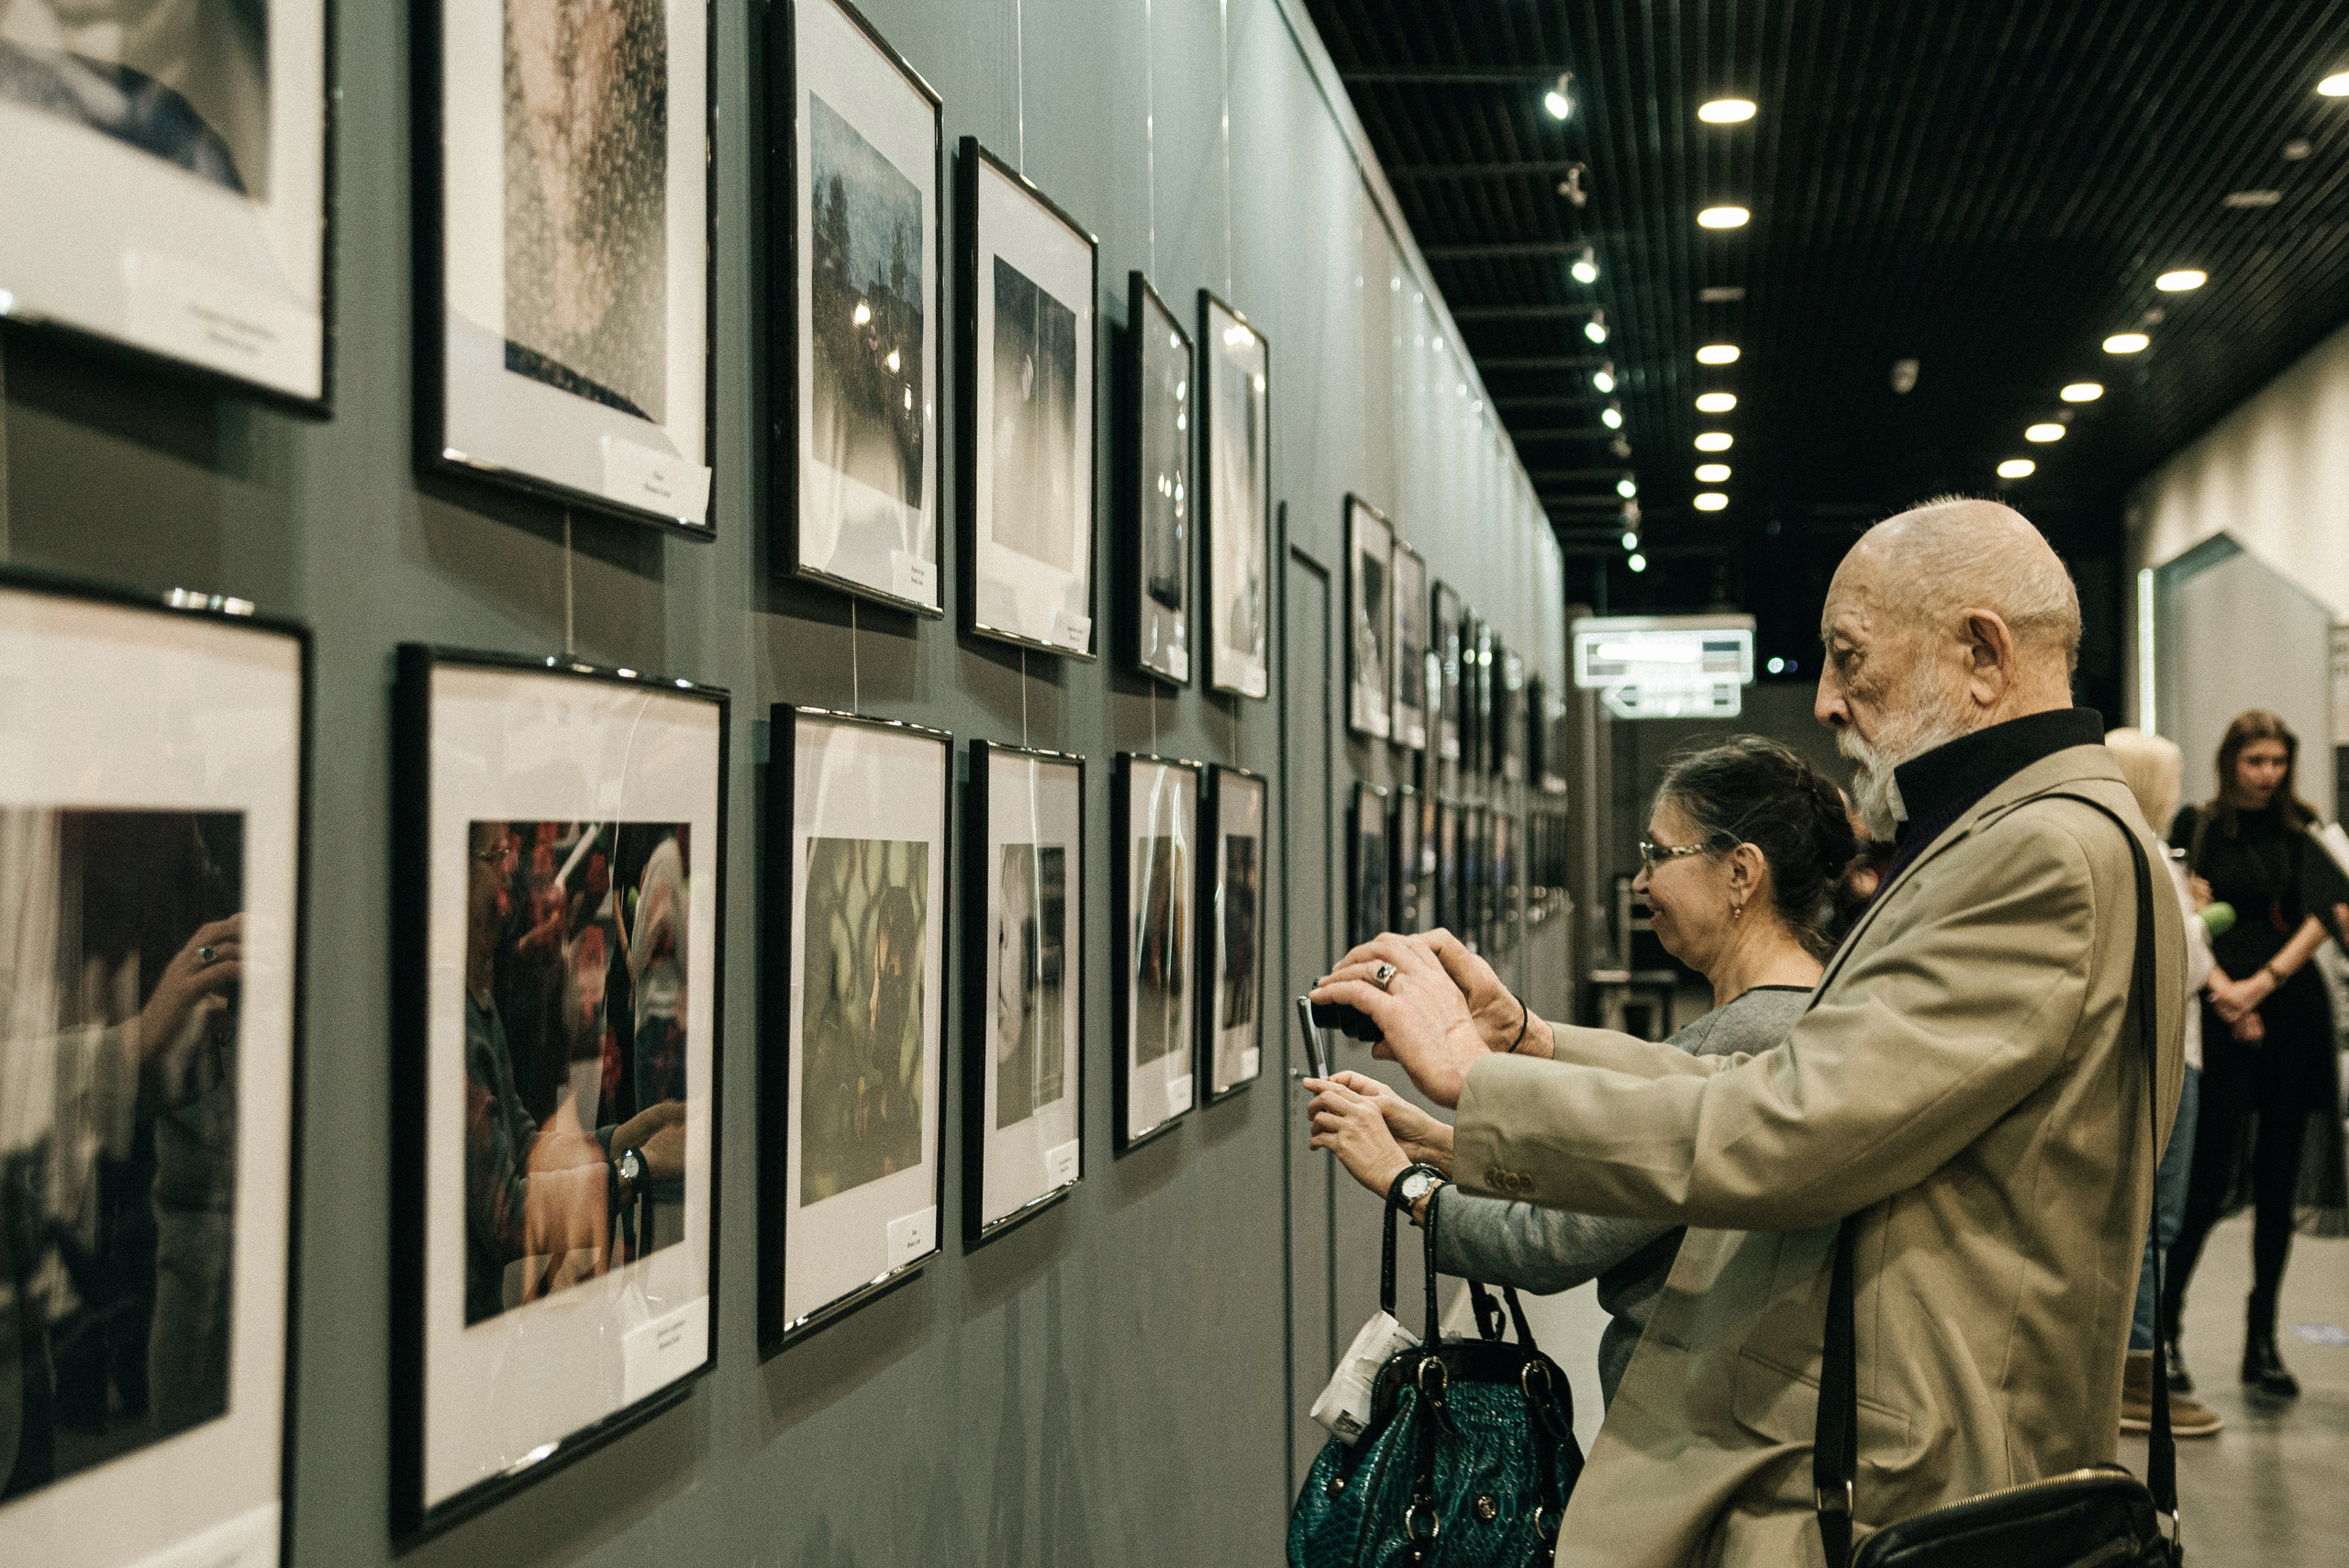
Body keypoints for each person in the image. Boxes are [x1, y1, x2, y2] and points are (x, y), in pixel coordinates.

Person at [1315, 497, 2183, 1567]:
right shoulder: (2033, 834)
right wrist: (1533, 1045)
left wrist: (1471, 1080)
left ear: (1980, 654)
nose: (1824, 699)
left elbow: (1791, 1125)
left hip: (1902, 1478)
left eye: (1848, 656)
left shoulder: (2037, 854)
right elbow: (1799, 1072)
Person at [1306, 737, 1852, 1407]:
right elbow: (1612, 1162)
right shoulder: (1802, 1011)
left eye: (1658, 854)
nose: (1641, 881)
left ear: (1741, 873)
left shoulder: (1752, 1036)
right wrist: (1441, 1141)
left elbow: (1552, 1239)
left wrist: (1404, 1181)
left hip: (1695, 1422)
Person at [2159, 710, 2349, 1399]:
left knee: (2276, 1181)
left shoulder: (2305, 830)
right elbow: (2181, 914)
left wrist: (2260, 987)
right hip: (2219, 1012)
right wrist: (2226, 994)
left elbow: (2323, 917)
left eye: (2277, 761)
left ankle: (2261, 1337)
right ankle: (2165, 1330)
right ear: (2230, 761)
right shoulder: (2198, 826)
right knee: (2206, 1177)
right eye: (2255, 761)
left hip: (2290, 1012)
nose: (2268, 774)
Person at [2103, 728, 2222, 1436]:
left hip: (2153, 1052)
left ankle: (2134, 1364)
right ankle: (2137, 1375)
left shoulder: (2123, 851)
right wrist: (2202, 922)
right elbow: (2186, 965)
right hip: (2171, 1053)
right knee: (2155, 1219)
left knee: (2147, 1217)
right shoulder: (2148, 854)